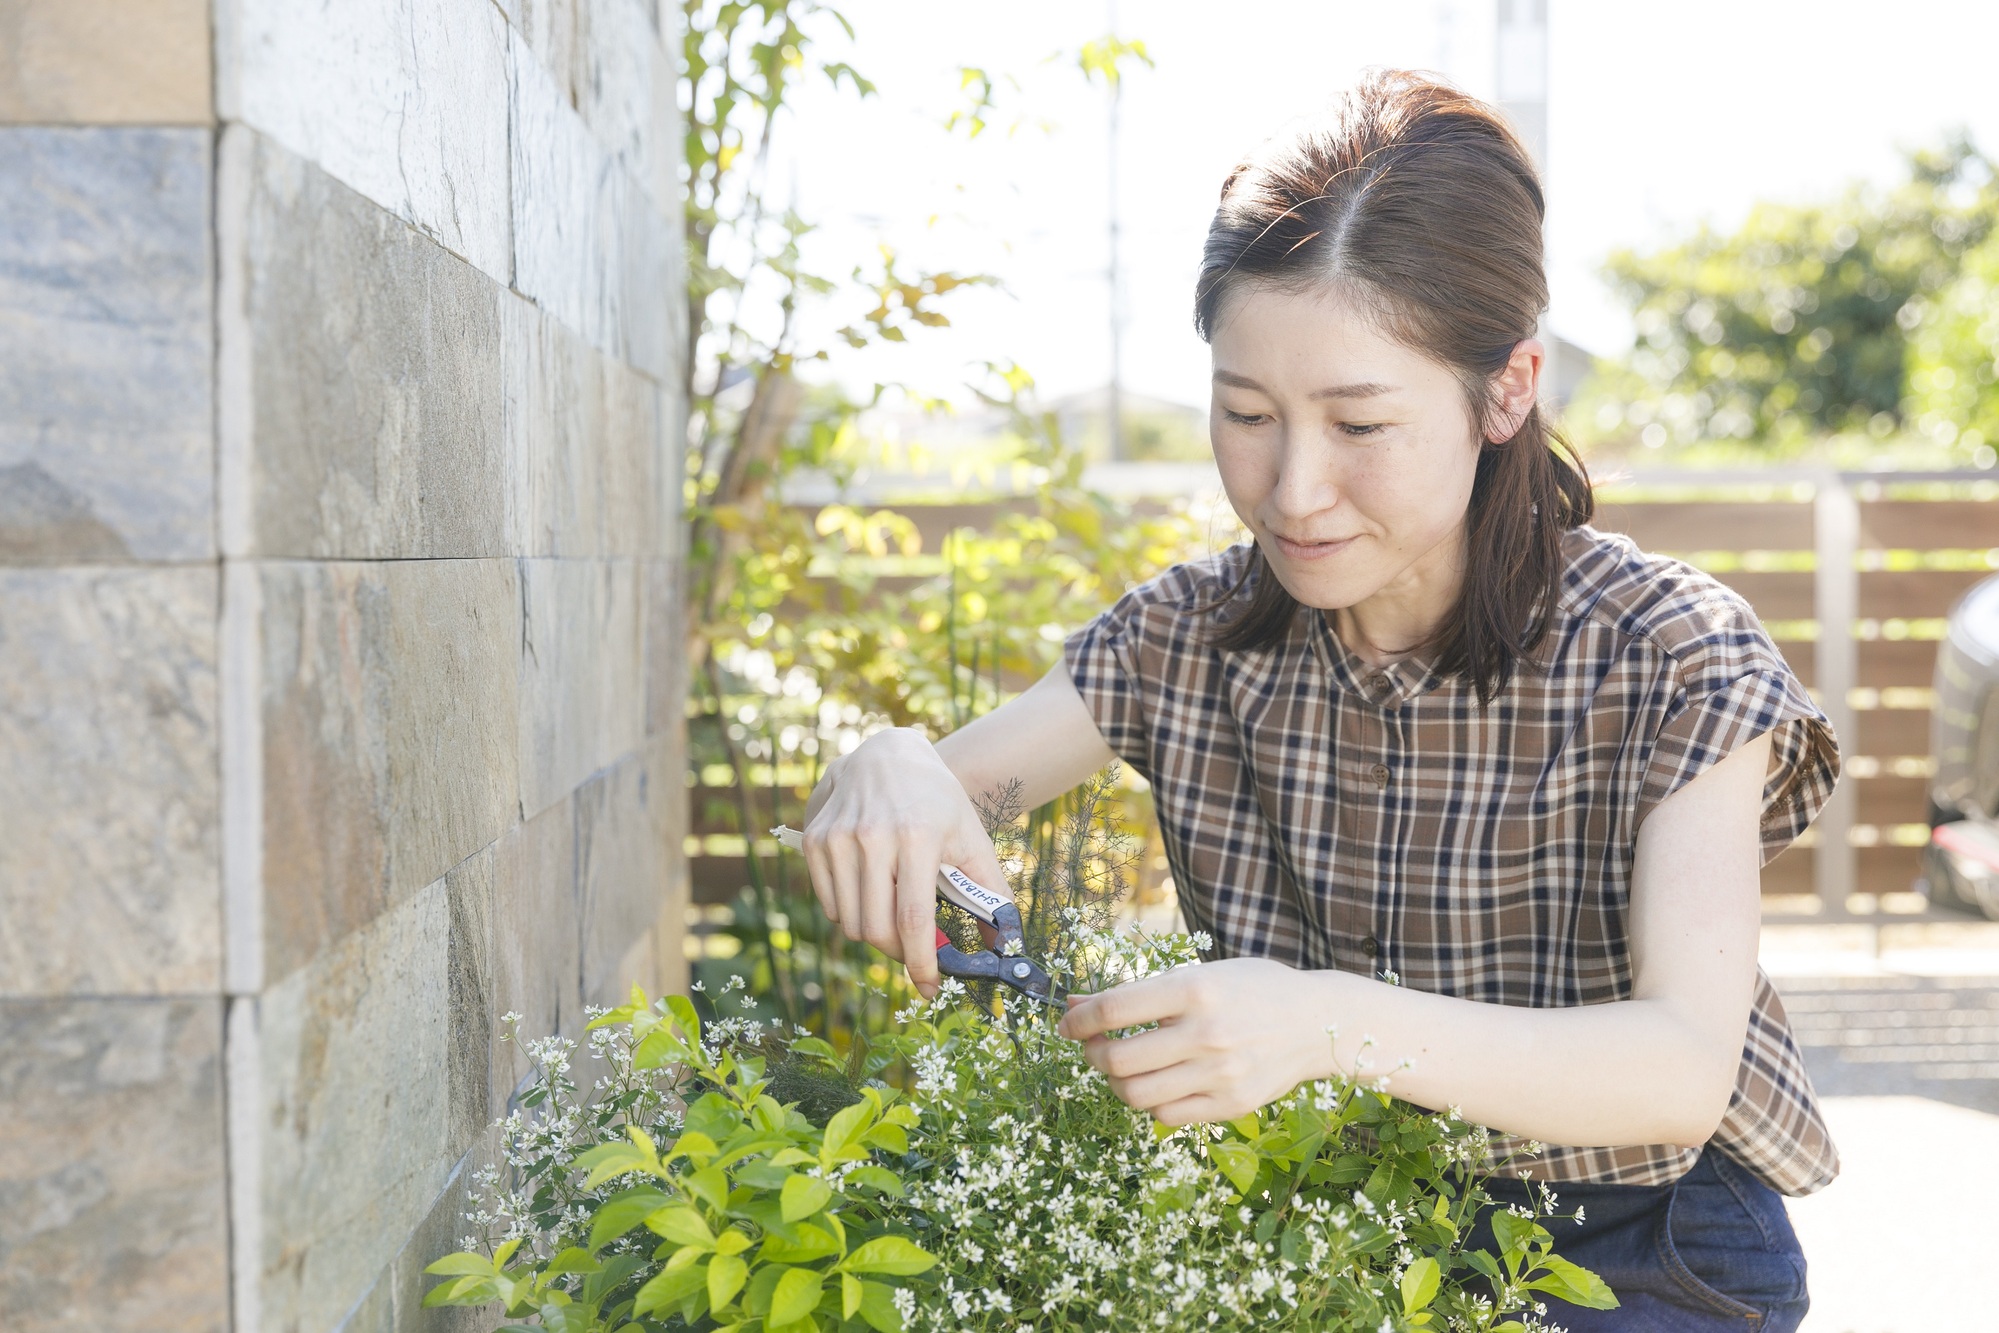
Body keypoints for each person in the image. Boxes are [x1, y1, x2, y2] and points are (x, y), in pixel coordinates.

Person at [799, 70, 1835, 1331]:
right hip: (1324, 1223)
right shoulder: (1190, 637)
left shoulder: (1669, 651)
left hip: (1636, 1245)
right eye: (1245, 414)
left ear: (1507, 388)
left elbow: (1678, 1067)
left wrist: (1326, 1026)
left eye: (1358, 423)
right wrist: (891, 766)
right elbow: (937, 802)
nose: (1292, 491)